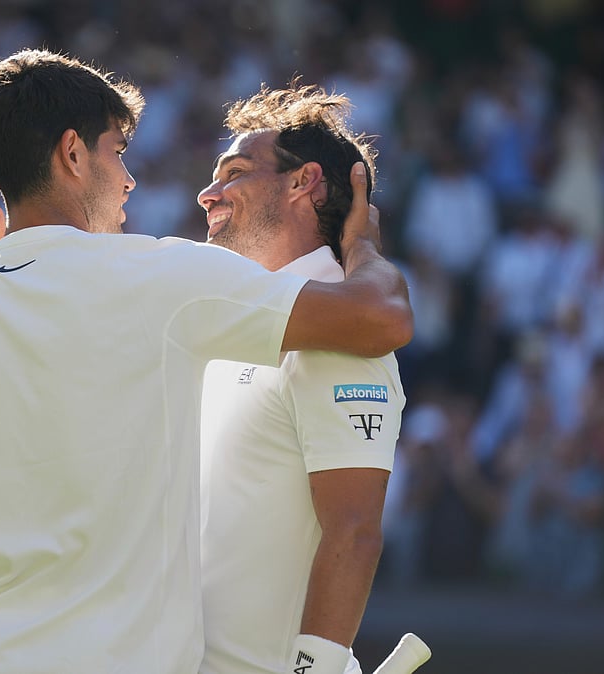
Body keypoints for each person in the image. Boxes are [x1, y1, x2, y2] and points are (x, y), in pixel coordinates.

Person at [0, 49, 412, 674]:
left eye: (236, 172)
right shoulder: (167, 282)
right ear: (73, 154)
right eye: (117, 151)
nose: (130, 177)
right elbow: (382, 316)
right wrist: (362, 246)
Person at [194, 84, 406, 674]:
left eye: (233, 172)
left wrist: (310, 670)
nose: (207, 192)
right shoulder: (241, 320)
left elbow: (355, 529)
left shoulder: (344, 334)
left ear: (302, 182)